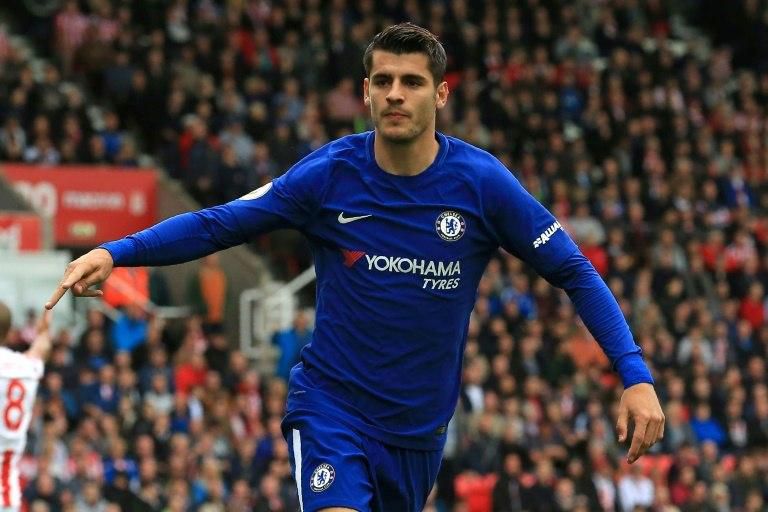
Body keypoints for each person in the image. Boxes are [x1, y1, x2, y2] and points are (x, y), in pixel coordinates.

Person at [46, 23, 664, 512]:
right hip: (332, 408)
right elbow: (218, 223)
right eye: (384, 80)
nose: (396, 93)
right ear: (366, 90)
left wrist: (633, 374)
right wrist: (115, 250)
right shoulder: (328, 175)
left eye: (413, 82)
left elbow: (574, 271)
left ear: (440, 94)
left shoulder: (481, 185)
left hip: (419, 434)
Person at [0, 303, 52, 512]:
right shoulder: (27, 366)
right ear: (10, 332)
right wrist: (45, 327)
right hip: (7, 495)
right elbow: (43, 345)